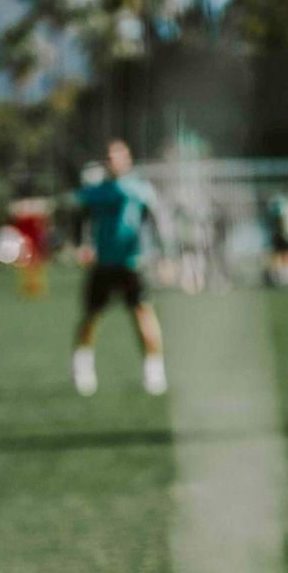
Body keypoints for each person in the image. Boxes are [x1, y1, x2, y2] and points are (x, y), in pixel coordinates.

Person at [69, 140, 166, 397]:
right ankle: (83, 366)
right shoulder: (96, 191)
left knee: (143, 314)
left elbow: (154, 221)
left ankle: (154, 369)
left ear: (128, 159)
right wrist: (81, 244)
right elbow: (80, 218)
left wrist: (163, 254)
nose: (113, 161)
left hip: (132, 263)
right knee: (91, 316)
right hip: (103, 263)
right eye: (109, 157)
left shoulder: (140, 189)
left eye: (118, 156)